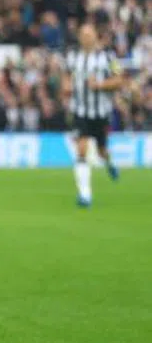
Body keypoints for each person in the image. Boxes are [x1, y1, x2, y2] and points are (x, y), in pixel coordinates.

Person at [65, 23, 126, 208]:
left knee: (101, 151)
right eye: (83, 35)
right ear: (79, 37)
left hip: (101, 112)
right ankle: (85, 194)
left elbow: (119, 79)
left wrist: (99, 85)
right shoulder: (72, 56)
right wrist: (66, 86)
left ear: (95, 36)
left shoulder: (108, 57)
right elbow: (66, 77)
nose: (86, 38)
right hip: (80, 111)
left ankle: (109, 162)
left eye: (89, 34)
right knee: (81, 148)